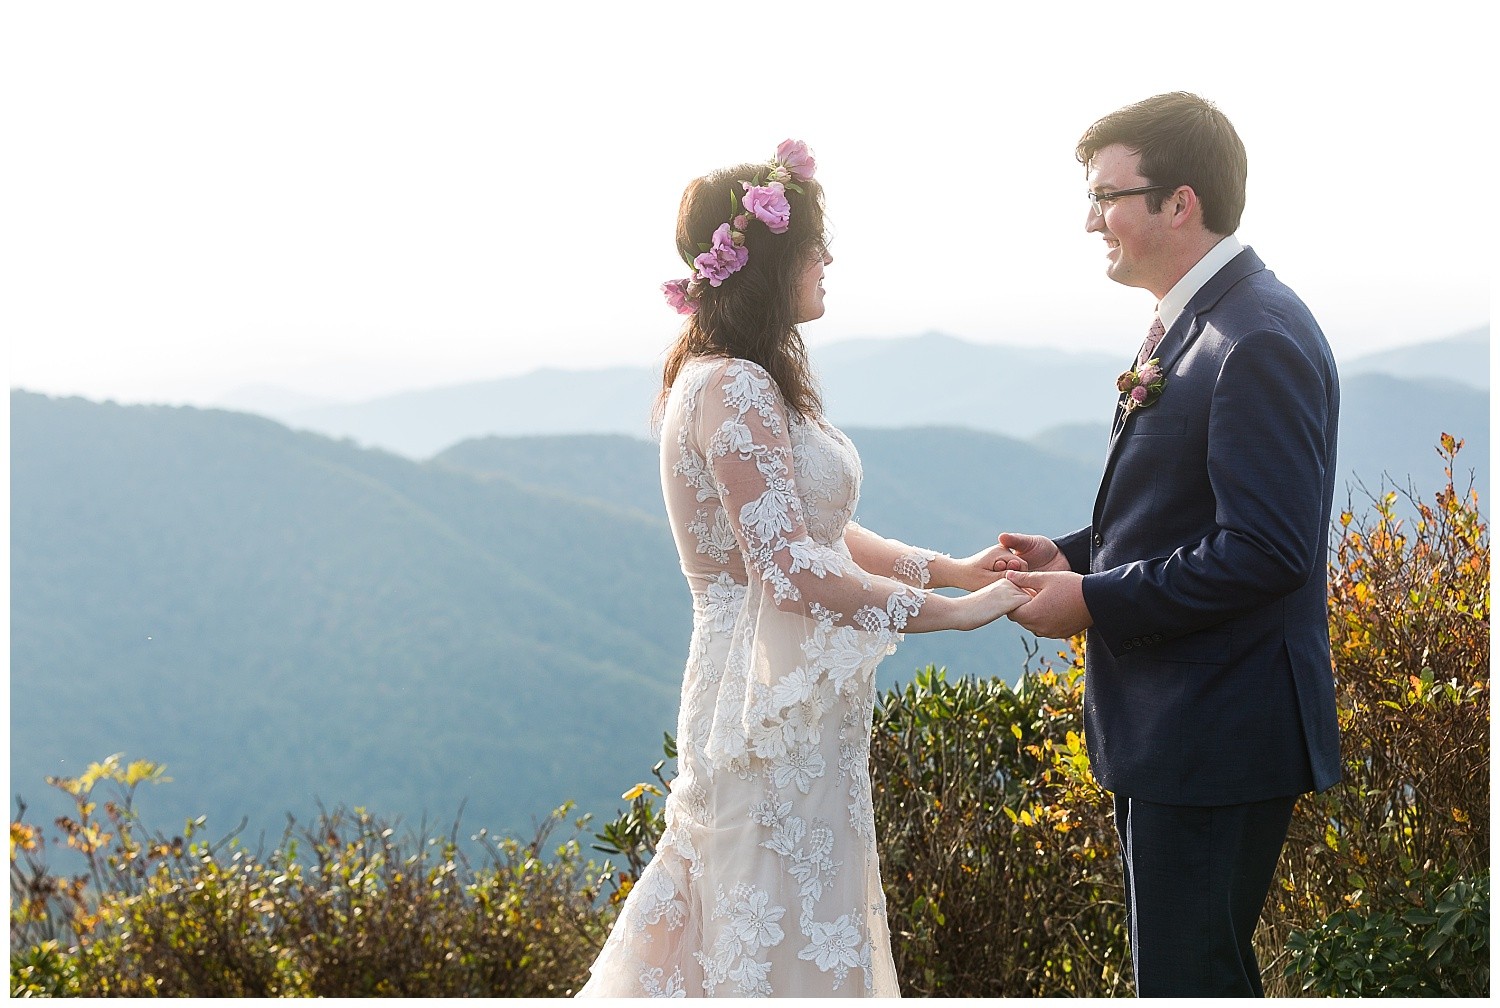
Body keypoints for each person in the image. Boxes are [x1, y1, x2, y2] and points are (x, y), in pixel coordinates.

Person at [576, 141, 1030, 998]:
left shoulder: (739, 378)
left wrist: (955, 571)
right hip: (764, 701)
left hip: (786, 696)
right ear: (770, 262)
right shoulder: (734, 385)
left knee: (783, 910)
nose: (828, 260)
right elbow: (788, 573)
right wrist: (954, 616)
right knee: (767, 915)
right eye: (815, 246)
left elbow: (825, 528)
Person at [998, 93, 1342, 997]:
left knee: (1189, 984)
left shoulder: (1254, 336)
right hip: (1182, 725)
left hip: (1216, 731)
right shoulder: (1205, 321)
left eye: (1108, 195)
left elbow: (1266, 550)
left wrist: (1095, 602)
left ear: (1178, 204)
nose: (1089, 220)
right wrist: (1074, 555)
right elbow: (1184, 509)